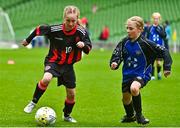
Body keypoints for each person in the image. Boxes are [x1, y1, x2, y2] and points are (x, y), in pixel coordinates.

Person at [22, 5, 92, 123]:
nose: (70, 23)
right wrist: (28, 40)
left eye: (73, 21)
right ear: (63, 19)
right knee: (46, 79)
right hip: (53, 61)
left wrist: (83, 45)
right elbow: (39, 29)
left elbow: (88, 48)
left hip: (68, 66)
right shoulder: (55, 29)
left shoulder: (81, 31)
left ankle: (67, 115)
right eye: (68, 20)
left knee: (71, 94)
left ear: (77, 19)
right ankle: (33, 102)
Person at [110, 16, 172, 124]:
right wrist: (114, 62)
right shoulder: (124, 42)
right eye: (127, 28)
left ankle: (139, 116)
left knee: (134, 88)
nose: (128, 31)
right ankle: (130, 116)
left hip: (142, 73)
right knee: (125, 99)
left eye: (131, 28)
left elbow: (164, 51)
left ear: (140, 29)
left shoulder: (146, 43)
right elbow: (117, 53)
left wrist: (167, 67)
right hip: (127, 75)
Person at [146, 12, 167, 80]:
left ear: (159, 19)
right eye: (154, 18)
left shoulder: (161, 27)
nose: (156, 20)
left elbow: (164, 36)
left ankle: (158, 73)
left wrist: (159, 31)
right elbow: (147, 37)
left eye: (157, 19)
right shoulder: (149, 28)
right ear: (152, 19)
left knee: (158, 63)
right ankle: (152, 76)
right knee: (151, 62)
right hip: (151, 48)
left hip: (159, 48)